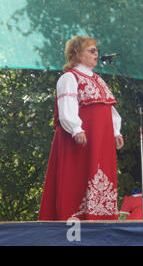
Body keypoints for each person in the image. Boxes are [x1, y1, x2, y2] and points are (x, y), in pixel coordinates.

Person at [39, 36, 124, 221]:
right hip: (80, 141)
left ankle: (100, 221)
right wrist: (76, 129)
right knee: (77, 179)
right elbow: (66, 107)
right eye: (91, 50)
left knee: (100, 177)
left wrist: (116, 131)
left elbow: (108, 107)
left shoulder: (99, 80)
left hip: (101, 141)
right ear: (77, 54)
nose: (96, 54)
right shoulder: (69, 77)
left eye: (96, 50)